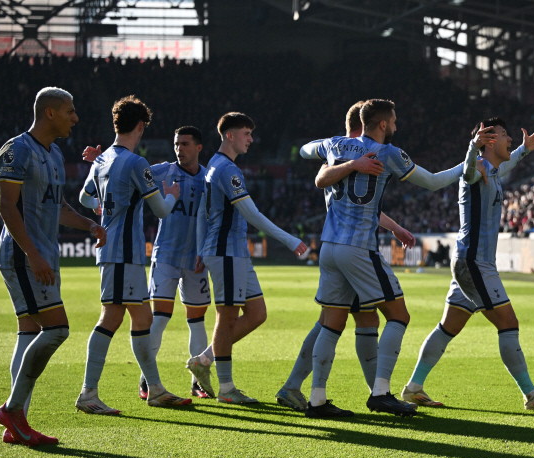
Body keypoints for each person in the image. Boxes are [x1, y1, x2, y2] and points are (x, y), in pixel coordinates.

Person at [298, 99, 488, 418]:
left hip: (328, 246)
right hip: (359, 247)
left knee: (331, 324)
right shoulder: (388, 153)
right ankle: (381, 393)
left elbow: (305, 150)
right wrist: (470, 163)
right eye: (394, 122)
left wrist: (343, 161)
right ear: (383, 124)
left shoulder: (335, 144)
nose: (397, 127)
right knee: (399, 315)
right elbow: (431, 181)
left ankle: (316, 400)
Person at [401, 117, 534, 411]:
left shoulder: (494, 169)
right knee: (508, 323)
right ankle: (531, 395)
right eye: (504, 135)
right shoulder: (476, 169)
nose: (510, 139)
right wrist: (472, 148)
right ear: (488, 141)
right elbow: (468, 171)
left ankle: (413, 388)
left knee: (448, 327)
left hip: (469, 262)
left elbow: (508, 162)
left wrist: (525, 150)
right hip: (475, 263)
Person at [275, 101, 418, 412]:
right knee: (334, 321)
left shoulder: (337, 153)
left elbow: (362, 203)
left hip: (334, 243)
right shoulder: (350, 152)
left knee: (357, 321)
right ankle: (372, 393)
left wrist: (395, 226)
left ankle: (374, 391)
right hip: (353, 245)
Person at [0, 87, 107, 446]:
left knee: (29, 332)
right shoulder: (17, 150)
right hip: (22, 255)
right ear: (50, 113)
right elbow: (7, 208)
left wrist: (89, 224)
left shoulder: (54, 153)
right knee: (57, 329)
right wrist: (33, 255)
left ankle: (16, 424)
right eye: (70, 111)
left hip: (39, 254)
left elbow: (57, 207)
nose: (76, 118)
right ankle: (14, 410)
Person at [76, 95, 192, 414]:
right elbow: (161, 211)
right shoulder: (136, 162)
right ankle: (88, 393)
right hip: (122, 252)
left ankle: (154, 388)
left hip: (118, 252)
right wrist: (170, 195)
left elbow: (85, 199)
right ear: (140, 126)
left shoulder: (101, 160)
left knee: (143, 318)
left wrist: (105, 205)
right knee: (111, 317)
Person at [187, 112, 307, 404]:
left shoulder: (215, 166)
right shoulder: (227, 170)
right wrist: (290, 240)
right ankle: (227, 389)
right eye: (246, 133)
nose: (251, 139)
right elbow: (251, 214)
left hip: (234, 252)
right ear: (229, 135)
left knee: (256, 314)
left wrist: (202, 248)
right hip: (227, 251)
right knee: (227, 318)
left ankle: (204, 360)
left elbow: (203, 212)